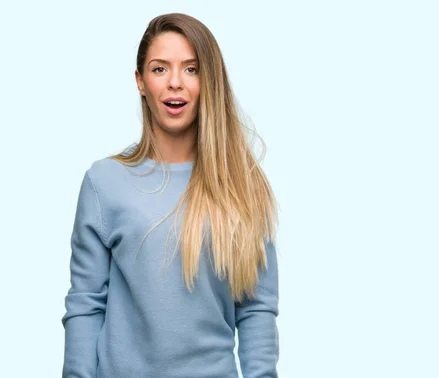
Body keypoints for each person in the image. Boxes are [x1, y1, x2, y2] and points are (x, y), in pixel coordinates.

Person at [61, 13, 280, 378]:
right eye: (160, 69)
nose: (175, 83)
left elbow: (256, 309)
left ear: (208, 81)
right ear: (140, 82)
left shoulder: (243, 185)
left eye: (191, 69)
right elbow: (85, 305)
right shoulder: (105, 182)